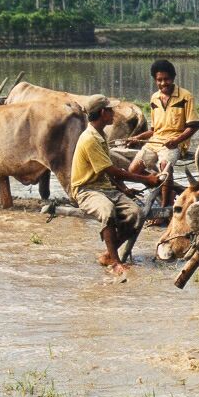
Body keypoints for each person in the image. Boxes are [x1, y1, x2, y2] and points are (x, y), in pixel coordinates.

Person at [70, 95, 147, 277]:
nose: (113, 113)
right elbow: (112, 170)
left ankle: (107, 254)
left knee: (137, 214)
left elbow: (106, 170)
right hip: (86, 189)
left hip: (105, 187)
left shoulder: (101, 134)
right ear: (103, 113)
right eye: (111, 110)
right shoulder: (90, 139)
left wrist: (124, 189)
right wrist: (146, 180)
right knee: (107, 209)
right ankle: (116, 262)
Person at [125, 59, 199, 216]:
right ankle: (158, 183)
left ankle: (165, 208)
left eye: (166, 79)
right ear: (155, 80)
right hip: (155, 141)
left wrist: (177, 141)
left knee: (165, 167)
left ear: (173, 78)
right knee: (133, 169)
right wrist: (138, 137)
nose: (163, 83)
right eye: (159, 80)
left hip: (175, 142)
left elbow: (193, 126)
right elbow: (154, 130)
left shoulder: (185, 97)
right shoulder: (154, 98)